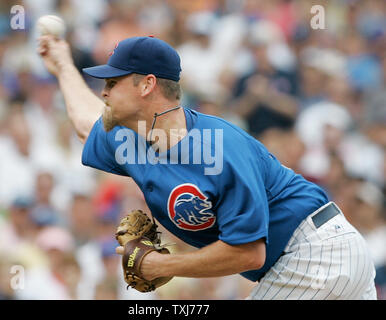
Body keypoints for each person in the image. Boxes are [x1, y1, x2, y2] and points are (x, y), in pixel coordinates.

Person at [37, 35, 377, 299]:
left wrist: (161, 265)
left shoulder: (220, 147)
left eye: (113, 82)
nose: (105, 92)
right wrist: (63, 65)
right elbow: (86, 123)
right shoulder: (130, 138)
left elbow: (248, 253)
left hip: (315, 252)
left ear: (147, 85)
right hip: (313, 261)